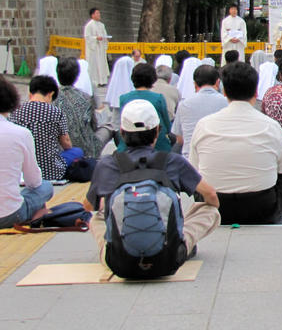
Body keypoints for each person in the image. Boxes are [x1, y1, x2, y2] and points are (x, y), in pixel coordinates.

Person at [84, 99, 220, 263]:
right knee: (210, 211)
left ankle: (111, 248)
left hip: (120, 262)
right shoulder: (173, 161)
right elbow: (210, 195)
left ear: (122, 132)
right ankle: (183, 242)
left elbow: (88, 206)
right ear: (157, 131)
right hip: (167, 257)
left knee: (96, 217)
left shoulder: (107, 164)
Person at [189, 62, 282, 223]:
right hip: (261, 208)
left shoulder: (204, 125)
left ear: (224, 91)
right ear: (256, 91)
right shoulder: (270, 126)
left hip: (216, 206)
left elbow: (194, 170)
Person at [0, 76, 54, 229]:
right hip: (9, 215)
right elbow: (34, 182)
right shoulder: (21, 133)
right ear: (11, 101)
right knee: (46, 187)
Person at [10, 76, 82, 181]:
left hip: (23, 170)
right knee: (77, 151)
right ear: (51, 94)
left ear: (31, 93)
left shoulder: (17, 112)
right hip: (52, 170)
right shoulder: (56, 112)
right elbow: (66, 144)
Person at [172, 64, 228, 158]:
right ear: (218, 82)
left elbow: (180, 139)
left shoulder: (184, 104)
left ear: (194, 84)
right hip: (219, 158)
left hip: (190, 159)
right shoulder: (226, 103)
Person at [53, 57, 104, 158]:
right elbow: (94, 125)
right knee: (109, 127)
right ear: (76, 76)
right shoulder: (86, 98)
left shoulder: (51, 99)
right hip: (85, 150)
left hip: (59, 150)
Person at [116, 63, 173, 152]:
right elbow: (167, 125)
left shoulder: (124, 98)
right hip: (157, 146)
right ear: (153, 79)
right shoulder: (158, 98)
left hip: (128, 144)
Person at [83, 8, 110, 87]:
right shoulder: (89, 25)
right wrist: (95, 38)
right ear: (93, 15)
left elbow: (104, 34)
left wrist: (106, 38)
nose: (99, 15)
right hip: (94, 49)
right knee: (95, 65)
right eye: (97, 13)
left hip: (101, 48)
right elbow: (87, 37)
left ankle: (102, 81)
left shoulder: (102, 25)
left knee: (102, 64)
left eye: (99, 13)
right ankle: (95, 81)